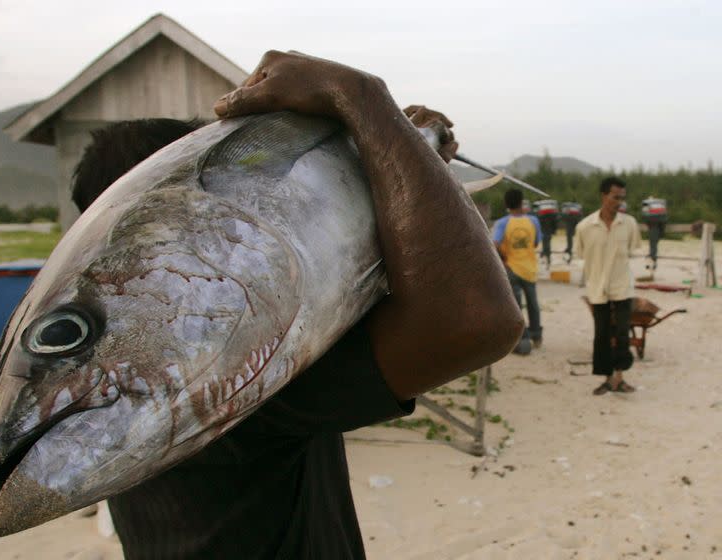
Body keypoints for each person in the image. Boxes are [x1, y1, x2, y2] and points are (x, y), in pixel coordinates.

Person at [71, 50, 522, 559]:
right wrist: (362, 98)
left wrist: (403, 152)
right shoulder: (218, 384)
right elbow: (476, 319)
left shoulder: (106, 376)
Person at [574, 176, 642, 395]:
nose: (619, 202)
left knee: (622, 334)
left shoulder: (629, 224)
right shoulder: (585, 227)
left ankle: (620, 378)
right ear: (604, 196)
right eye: (615, 197)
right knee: (602, 335)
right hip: (597, 288)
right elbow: (581, 255)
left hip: (622, 287)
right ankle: (607, 378)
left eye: (622, 198)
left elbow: (632, 250)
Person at [492, 188, 543, 354]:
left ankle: (523, 338)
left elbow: (495, 244)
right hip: (530, 269)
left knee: (517, 306)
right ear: (522, 201)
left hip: (511, 269)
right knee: (533, 304)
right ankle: (536, 335)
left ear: (506, 204)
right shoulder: (533, 221)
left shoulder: (502, 223)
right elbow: (535, 243)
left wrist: (504, 259)